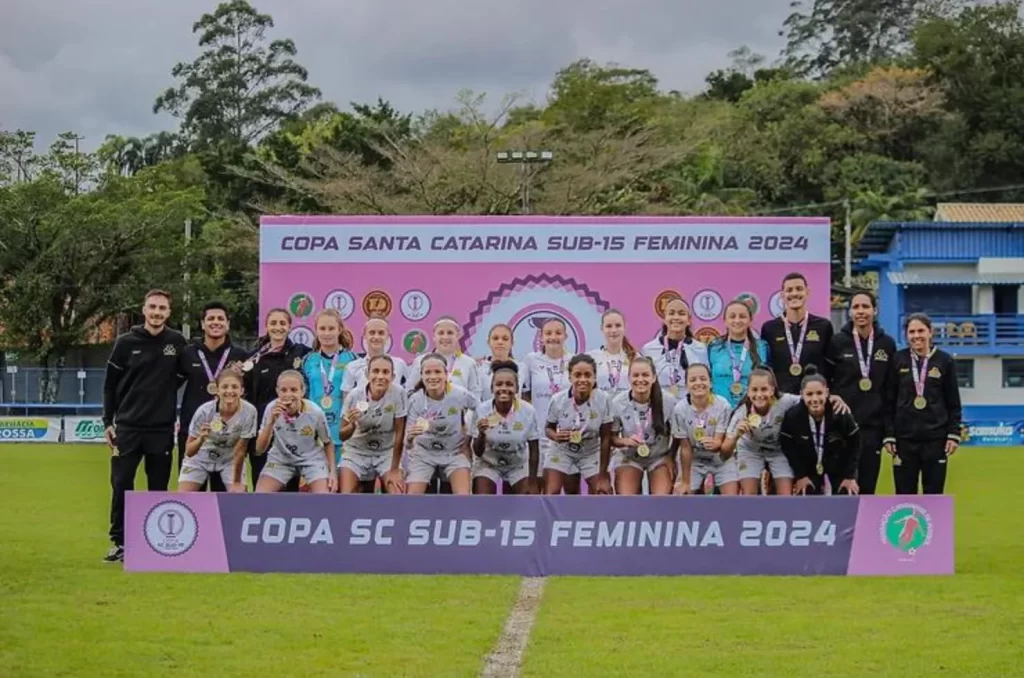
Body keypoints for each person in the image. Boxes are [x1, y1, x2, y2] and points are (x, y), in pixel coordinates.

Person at [101, 289, 187, 563]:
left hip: (161, 429)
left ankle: (155, 542)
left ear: (169, 312)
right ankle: (120, 542)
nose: (157, 312)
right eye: (153, 307)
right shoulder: (125, 342)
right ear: (144, 309)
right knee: (122, 483)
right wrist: (108, 421)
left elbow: (187, 373)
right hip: (127, 427)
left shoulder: (177, 342)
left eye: (162, 308)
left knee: (158, 486)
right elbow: (109, 385)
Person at [825, 292, 897, 495]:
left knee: (866, 490)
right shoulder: (837, 342)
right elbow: (825, 381)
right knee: (842, 490)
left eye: (865, 307)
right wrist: (831, 396)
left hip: (872, 429)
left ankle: (863, 528)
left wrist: (889, 431)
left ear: (875, 310)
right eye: (856, 307)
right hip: (842, 427)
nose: (861, 311)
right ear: (850, 312)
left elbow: (891, 390)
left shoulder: (887, 344)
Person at [884, 313, 962, 495]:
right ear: (906, 335)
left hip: (936, 440)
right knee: (904, 493)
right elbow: (889, 401)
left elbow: (953, 401)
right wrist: (889, 434)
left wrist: (953, 433)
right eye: (911, 332)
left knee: (934, 494)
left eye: (921, 330)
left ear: (930, 332)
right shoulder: (898, 359)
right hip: (904, 441)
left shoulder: (945, 360)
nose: (916, 336)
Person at [176, 301, 249, 491]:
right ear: (202, 323)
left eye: (220, 318)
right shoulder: (188, 353)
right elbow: (168, 384)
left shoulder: (240, 355)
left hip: (228, 439)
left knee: (225, 502)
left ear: (228, 324)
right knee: (192, 503)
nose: (215, 322)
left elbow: (248, 392)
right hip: (194, 433)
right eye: (211, 318)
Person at [242, 308, 310, 488]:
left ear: (289, 327)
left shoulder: (300, 352)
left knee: (291, 486)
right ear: (266, 327)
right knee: (261, 479)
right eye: (273, 323)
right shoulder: (255, 358)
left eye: (282, 323)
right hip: (265, 428)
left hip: (293, 430)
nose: (278, 327)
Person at [404, 353, 480, 495]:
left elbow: (480, 409)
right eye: (428, 372)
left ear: (446, 375)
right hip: (423, 454)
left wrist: (468, 439)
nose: (433, 377)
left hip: (454, 452)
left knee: (463, 497)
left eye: (437, 372)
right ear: (421, 375)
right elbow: (408, 444)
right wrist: (410, 437)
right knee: (412, 500)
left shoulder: (459, 394)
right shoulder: (415, 400)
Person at [780, 366, 861, 496]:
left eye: (819, 393)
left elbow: (855, 443)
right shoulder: (793, 416)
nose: (815, 399)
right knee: (805, 491)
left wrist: (850, 476)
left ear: (827, 392)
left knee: (847, 492)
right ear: (801, 394)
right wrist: (801, 475)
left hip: (839, 465)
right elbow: (788, 447)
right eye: (809, 394)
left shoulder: (839, 412)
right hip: (809, 467)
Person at [254, 370, 337, 493]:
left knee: (324, 496)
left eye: (294, 390)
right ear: (277, 391)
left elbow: (327, 442)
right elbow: (259, 449)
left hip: (311, 459)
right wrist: (271, 422)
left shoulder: (315, 412)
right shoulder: (271, 409)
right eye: (283, 390)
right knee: (260, 495)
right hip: (281, 459)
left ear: (302, 392)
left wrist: (332, 473)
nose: (288, 395)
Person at [544, 354, 614, 495]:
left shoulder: (603, 399)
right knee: (551, 492)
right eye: (577, 375)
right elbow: (548, 428)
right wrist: (556, 436)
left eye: (588, 375)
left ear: (594, 378)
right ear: (570, 377)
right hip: (562, 449)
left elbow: (606, 438)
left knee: (603, 491)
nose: (583, 379)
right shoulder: (558, 400)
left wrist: (603, 474)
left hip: (591, 450)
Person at [522, 318, 578, 492]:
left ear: (566, 336)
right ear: (541, 336)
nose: (553, 337)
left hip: (569, 436)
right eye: (548, 333)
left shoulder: (574, 360)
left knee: (571, 492)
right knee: (542, 493)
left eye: (558, 333)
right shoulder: (531, 360)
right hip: (540, 437)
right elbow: (524, 397)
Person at [179, 370, 257, 493]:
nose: (229, 391)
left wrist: (236, 482)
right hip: (200, 458)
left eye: (235, 387)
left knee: (239, 497)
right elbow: (189, 451)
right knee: (184, 498)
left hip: (229, 460)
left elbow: (241, 450)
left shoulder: (249, 412)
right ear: (217, 390)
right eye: (224, 387)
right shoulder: (204, 411)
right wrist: (201, 439)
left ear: (241, 390)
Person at [339, 355, 407, 494]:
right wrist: (352, 425)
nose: (380, 376)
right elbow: (342, 436)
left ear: (393, 376)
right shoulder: (354, 395)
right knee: (346, 495)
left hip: (386, 452)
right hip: (356, 452)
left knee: (397, 492)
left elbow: (400, 432)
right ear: (367, 374)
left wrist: (394, 469)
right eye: (375, 371)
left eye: (385, 372)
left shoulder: (399, 393)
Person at [470, 360, 540, 494]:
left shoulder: (528, 411)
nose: (504, 388)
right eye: (499, 384)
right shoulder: (481, 410)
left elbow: (534, 449)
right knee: (481, 498)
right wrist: (481, 434)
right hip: (488, 463)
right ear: (492, 388)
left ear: (517, 389)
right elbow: (477, 452)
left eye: (509, 384)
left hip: (517, 464)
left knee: (527, 500)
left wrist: (532, 481)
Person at [611, 356, 677, 495]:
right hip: (629, 457)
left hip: (659, 457)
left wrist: (670, 457)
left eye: (645, 375)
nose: (640, 379)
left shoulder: (669, 401)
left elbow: (678, 436)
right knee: (627, 500)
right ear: (628, 378)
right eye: (635, 375)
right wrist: (626, 441)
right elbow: (612, 438)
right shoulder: (618, 403)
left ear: (653, 377)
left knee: (661, 500)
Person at [301, 309, 359, 468]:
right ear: (316, 330)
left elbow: (358, 396)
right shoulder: (308, 360)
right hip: (315, 429)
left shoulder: (353, 360)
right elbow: (302, 395)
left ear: (340, 329)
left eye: (331, 329)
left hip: (342, 429)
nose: (327, 333)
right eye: (322, 328)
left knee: (341, 483)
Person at [759, 272, 834, 394]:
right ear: (782, 295)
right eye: (789, 290)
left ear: (807, 292)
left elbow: (831, 366)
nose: (794, 293)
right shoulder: (769, 329)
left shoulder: (823, 326)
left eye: (799, 289)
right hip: (780, 398)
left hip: (813, 398)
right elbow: (767, 367)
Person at [672, 363, 738, 496]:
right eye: (692, 380)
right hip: (695, 460)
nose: (698, 383)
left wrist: (716, 443)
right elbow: (685, 448)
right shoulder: (680, 409)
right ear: (686, 385)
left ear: (711, 382)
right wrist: (685, 481)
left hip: (720, 459)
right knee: (682, 495)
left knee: (732, 500)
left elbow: (720, 441)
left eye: (703, 379)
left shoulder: (723, 405)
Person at [642, 296, 709, 398]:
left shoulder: (701, 349)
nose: (676, 317)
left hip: (689, 409)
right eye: (671, 313)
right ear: (664, 319)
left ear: (689, 320)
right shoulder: (648, 350)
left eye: (681, 314)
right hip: (660, 408)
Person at [708, 299, 768, 409]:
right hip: (719, 412)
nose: (737, 320)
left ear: (750, 320)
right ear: (725, 321)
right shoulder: (713, 347)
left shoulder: (762, 347)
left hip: (751, 410)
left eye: (742, 316)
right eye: (732, 316)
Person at [341, 316, 409, 395]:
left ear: (387, 336)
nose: (376, 337)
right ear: (365, 335)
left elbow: (409, 392)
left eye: (381, 333)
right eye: (372, 332)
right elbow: (347, 400)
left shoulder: (399, 364)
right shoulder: (352, 367)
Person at [409, 317, 480, 393]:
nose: (445, 337)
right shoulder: (420, 361)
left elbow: (475, 394)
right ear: (434, 337)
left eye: (450, 333)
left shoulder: (469, 363)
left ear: (458, 336)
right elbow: (410, 390)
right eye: (441, 333)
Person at [589, 309, 636, 396]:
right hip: (600, 408)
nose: (613, 330)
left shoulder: (636, 358)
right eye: (609, 326)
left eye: (618, 325)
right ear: (601, 328)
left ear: (624, 327)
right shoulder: (591, 358)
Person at [474, 323, 525, 402]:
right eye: (495, 338)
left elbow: (526, 396)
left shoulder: (522, 368)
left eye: (505, 339)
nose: (500, 342)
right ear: (488, 342)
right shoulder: (478, 368)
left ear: (512, 343)